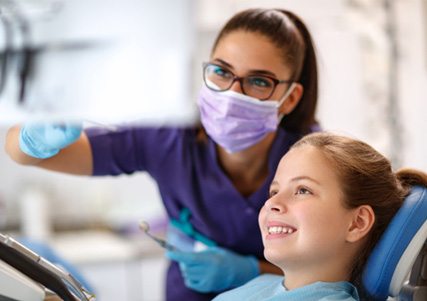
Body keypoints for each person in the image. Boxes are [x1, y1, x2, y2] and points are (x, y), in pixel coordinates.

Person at [4, 8, 319, 301]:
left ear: (290, 99)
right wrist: (35, 136)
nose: (233, 93)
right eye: (222, 72)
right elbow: (23, 153)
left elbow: (339, 269)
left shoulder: (318, 160)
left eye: (258, 81)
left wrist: (254, 271)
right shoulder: (168, 138)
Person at [212, 132, 427, 301]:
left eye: (303, 190)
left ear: (357, 223)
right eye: (274, 191)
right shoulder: (260, 286)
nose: (272, 203)